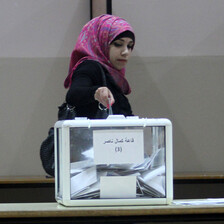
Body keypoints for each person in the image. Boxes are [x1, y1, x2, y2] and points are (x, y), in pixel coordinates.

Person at [64, 14, 135, 119]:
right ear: (102, 42)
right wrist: (96, 92)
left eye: (129, 46)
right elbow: (73, 94)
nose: (126, 52)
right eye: (118, 44)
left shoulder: (114, 76)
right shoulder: (90, 66)